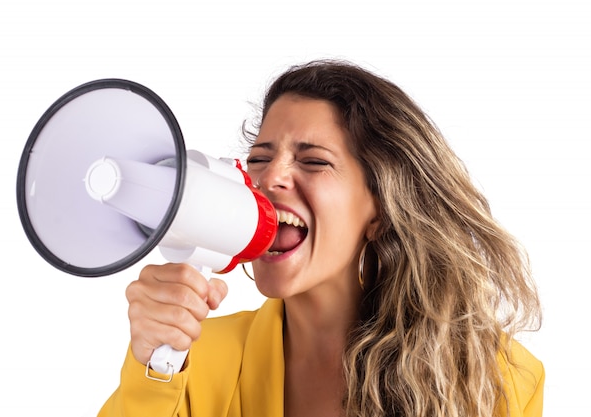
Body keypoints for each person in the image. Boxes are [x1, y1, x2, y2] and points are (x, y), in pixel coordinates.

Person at [98, 59, 544, 417]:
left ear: (380, 211)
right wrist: (155, 363)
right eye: (259, 158)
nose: (270, 178)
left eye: (313, 162)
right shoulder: (186, 362)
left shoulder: (497, 377)